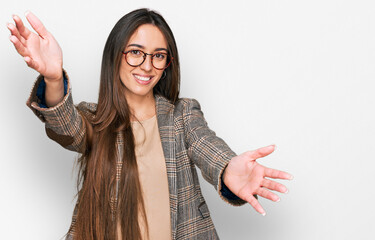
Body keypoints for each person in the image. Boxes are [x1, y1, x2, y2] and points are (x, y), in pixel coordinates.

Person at [7, 8, 293, 240]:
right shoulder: (96, 120)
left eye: (158, 56)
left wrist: (229, 167)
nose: (147, 66)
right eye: (135, 52)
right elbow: (66, 126)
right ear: (115, 56)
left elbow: (206, 144)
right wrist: (54, 78)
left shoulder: (182, 115)